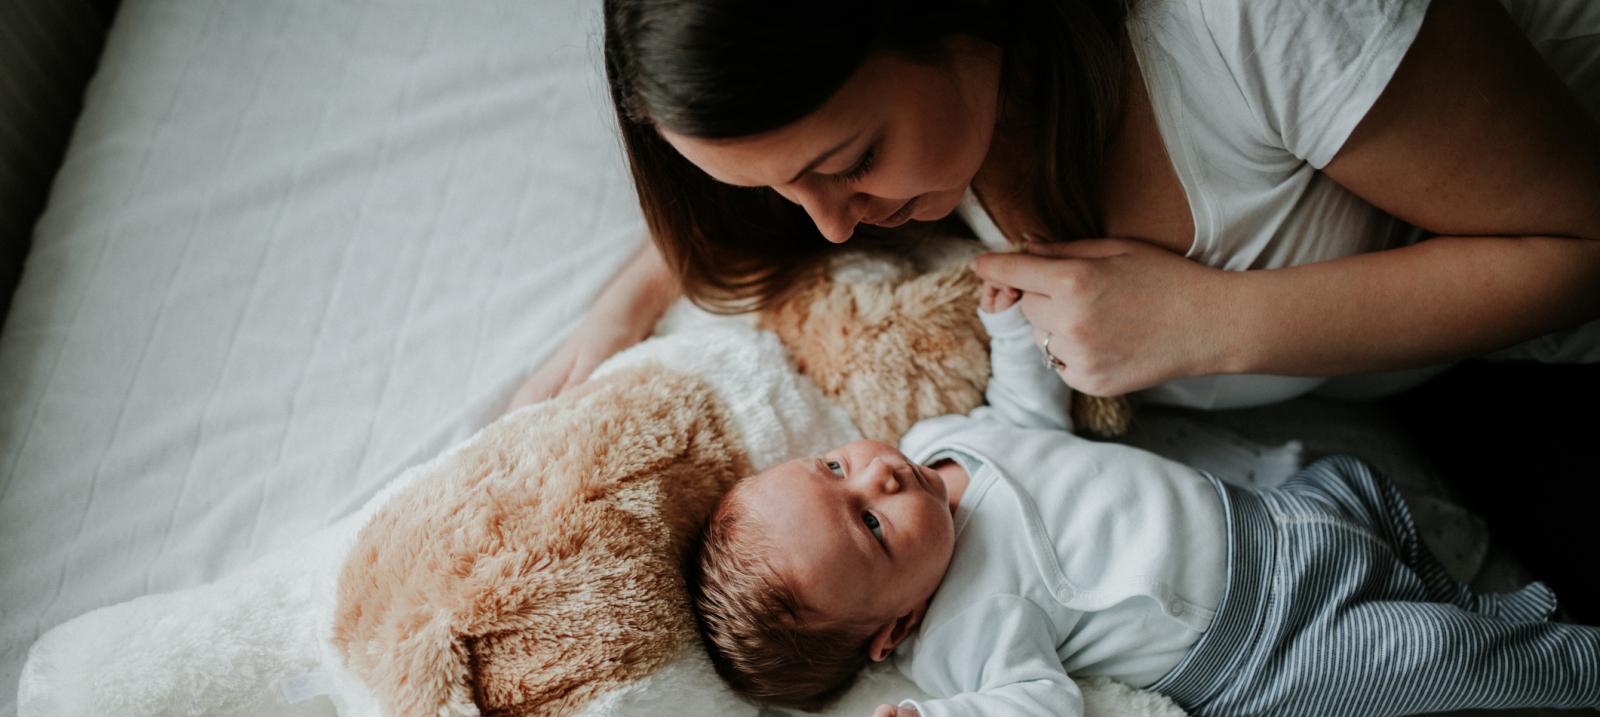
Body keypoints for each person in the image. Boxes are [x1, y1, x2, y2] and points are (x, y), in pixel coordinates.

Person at [688, 283, 1600, 717]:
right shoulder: (968, 629)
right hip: (1263, 646)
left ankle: (1468, 599)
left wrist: (1011, 331)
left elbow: (1029, 424)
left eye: (835, 469)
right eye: (875, 529)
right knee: (1425, 652)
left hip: (1275, 520)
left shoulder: (931, 448)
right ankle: (1565, 661)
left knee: (1361, 486)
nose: (878, 477)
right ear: (893, 630)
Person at [511, 0, 1600, 411]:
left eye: (851, 161)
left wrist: (1216, 325)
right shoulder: (924, 123)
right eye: (771, 188)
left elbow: (1581, 241)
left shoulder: (1260, 21)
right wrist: (623, 308)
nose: (832, 225)